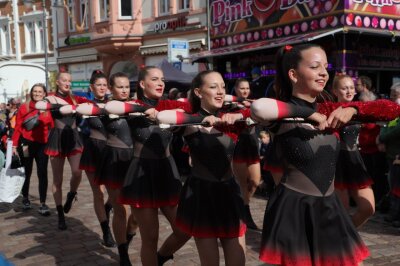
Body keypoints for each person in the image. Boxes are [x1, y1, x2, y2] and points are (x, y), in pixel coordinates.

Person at [251, 43, 381, 265]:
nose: (323, 73)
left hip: (330, 206)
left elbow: (391, 109)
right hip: (294, 210)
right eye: (315, 66)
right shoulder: (283, 111)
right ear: (293, 74)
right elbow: (259, 108)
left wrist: (354, 109)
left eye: (326, 67)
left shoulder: (331, 109)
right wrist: (309, 114)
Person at [157, 70, 250, 266]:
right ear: (199, 92)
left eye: (223, 87)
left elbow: (259, 111)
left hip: (229, 194)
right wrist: (199, 120)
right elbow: (163, 116)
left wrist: (240, 115)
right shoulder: (191, 121)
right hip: (202, 196)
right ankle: (161, 256)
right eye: (213, 86)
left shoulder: (230, 118)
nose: (220, 92)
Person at [115, 66, 192, 266]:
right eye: (155, 79)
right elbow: (112, 107)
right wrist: (142, 110)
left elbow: (192, 105)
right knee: (150, 237)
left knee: (185, 229)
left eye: (163, 80)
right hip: (142, 173)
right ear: (142, 84)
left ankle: (161, 257)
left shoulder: (167, 104)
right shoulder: (134, 104)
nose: (161, 83)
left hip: (167, 172)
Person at [36, 72, 91, 230]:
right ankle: (60, 214)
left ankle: (72, 194)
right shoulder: (51, 98)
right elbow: (40, 105)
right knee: (57, 180)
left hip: (73, 137)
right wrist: (53, 105)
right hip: (57, 138)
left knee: (77, 173)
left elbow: (90, 104)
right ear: (57, 82)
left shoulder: (75, 98)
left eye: (70, 81)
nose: (68, 83)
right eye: (64, 80)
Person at [93, 72, 138, 265]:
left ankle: (125, 242)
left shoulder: (137, 106)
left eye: (127, 86)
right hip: (114, 161)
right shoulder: (106, 107)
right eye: (120, 86)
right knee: (121, 211)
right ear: (111, 89)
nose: (124, 90)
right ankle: (123, 253)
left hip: (135, 162)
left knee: (137, 215)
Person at [331, 74, 375, 228]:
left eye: (351, 87)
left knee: (368, 208)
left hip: (355, 159)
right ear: (335, 91)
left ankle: (345, 235)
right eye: (344, 88)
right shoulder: (329, 109)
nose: (349, 91)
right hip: (336, 162)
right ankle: (340, 242)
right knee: (341, 211)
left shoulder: (359, 108)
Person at [78, 70, 115, 247]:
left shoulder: (114, 104)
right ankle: (106, 230)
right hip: (93, 151)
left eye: (104, 85)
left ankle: (109, 207)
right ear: (92, 87)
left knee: (116, 195)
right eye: (98, 85)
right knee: (98, 193)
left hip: (111, 152)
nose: (102, 88)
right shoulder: (86, 104)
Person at [12, 83, 53, 214]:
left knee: (42, 173)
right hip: (26, 144)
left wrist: (43, 113)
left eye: (40, 92)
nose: (37, 94)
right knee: (27, 171)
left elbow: (51, 125)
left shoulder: (47, 108)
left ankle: (43, 203)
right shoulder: (24, 107)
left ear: (44, 94)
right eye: (35, 91)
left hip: (42, 144)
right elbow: (18, 127)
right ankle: (25, 199)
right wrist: (14, 145)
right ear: (31, 93)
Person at [230, 78, 261, 230]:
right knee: (242, 183)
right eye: (242, 88)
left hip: (253, 145)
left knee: (255, 181)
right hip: (240, 146)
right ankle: (245, 214)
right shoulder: (231, 106)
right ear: (236, 89)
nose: (245, 91)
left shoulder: (254, 105)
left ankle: (241, 206)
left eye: (247, 88)